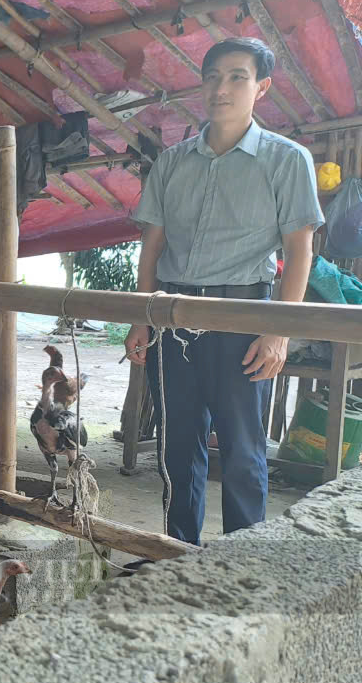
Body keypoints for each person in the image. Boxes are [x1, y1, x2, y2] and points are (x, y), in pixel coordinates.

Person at [125, 37, 323, 545]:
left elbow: (299, 252)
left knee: (242, 450)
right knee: (178, 447)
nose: (222, 87)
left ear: (262, 88)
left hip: (243, 317)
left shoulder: (286, 160)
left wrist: (277, 331)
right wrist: (141, 316)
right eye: (212, 75)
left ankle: (242, 561)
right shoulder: (171, 163)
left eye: (238, 76)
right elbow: (152, 246)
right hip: (172, 313)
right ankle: (177, 552)